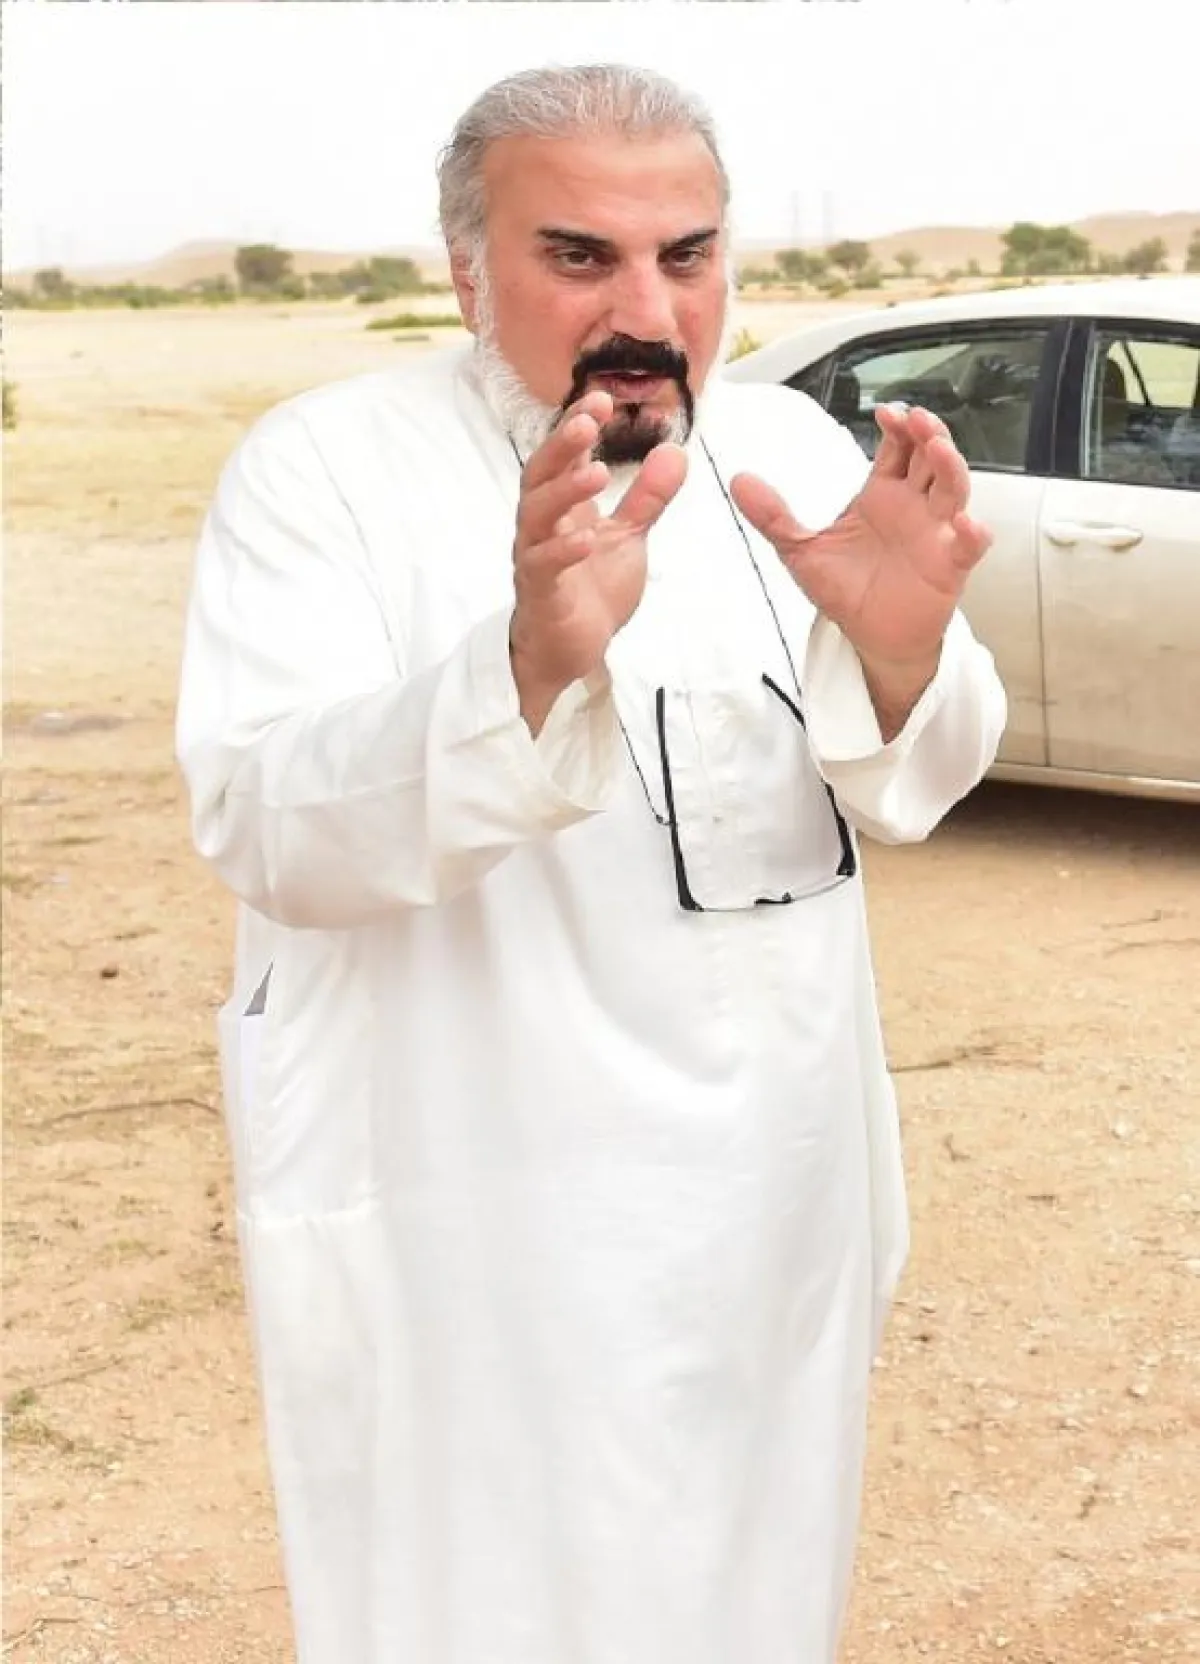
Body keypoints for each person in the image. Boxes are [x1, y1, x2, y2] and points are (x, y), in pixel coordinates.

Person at [177, 63, 1006, 1664]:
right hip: (479, 1222)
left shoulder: (785, 447)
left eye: (686, 255)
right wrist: (526, 668)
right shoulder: (326, 469)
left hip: (775, 1198)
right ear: (464, 269)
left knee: (758, 1599)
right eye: (579, 257)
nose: (647, 310)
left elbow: (908, 780)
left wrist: (904, 654)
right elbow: (265, 821)